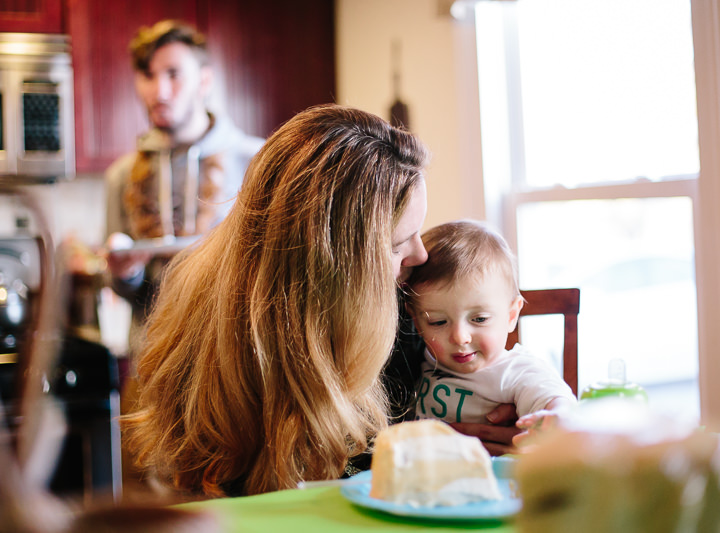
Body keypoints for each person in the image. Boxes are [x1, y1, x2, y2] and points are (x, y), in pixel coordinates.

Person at [124, 104, 430, 498]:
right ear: (332, 267)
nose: (421, 255)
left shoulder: (411, 314)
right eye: (398, 245)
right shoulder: (211, 342)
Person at [104, 19, 264, 359]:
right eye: (148, 75)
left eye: (174, 74)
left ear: (204, 80)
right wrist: (125, 274)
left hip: (237, 361)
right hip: (154, 364)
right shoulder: (122, 176)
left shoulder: (257, 162)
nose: (159, 91)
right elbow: (125, 290)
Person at [404, 220, 577, 442]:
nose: (460, 337)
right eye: (438, 322)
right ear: (416, 322)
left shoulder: (514, 371)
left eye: (479, 319)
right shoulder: (420, 358)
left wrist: (557, 417)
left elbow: (553, 397)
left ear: (511, 316)